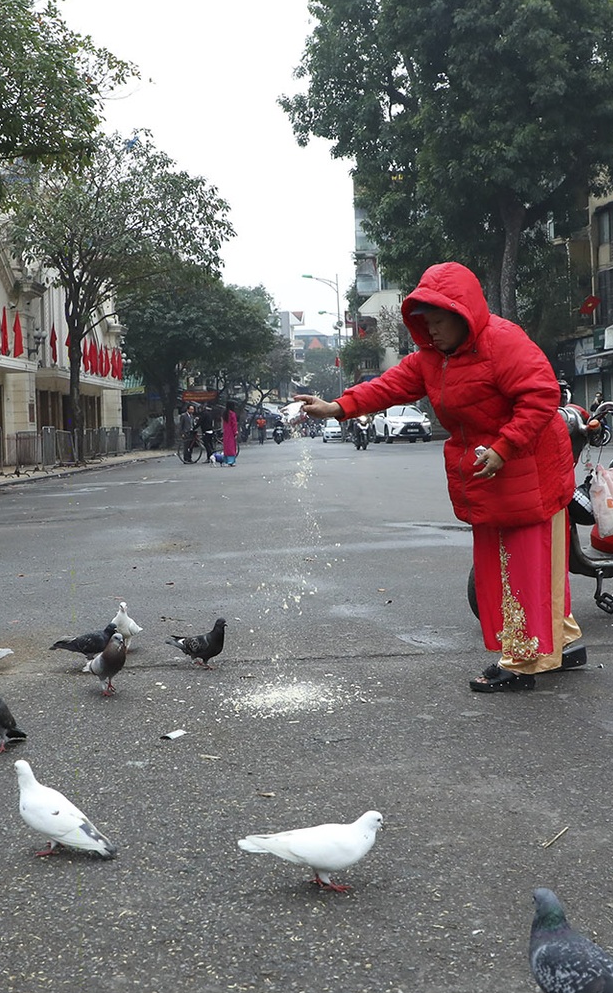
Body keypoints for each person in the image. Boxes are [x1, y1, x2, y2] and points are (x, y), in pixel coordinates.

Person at [294, 262, 582, 692]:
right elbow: (387, 387)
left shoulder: (502, 342)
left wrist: (504, 448)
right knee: (515, 564)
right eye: (425, 324)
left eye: (439, 322)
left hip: (528, 465)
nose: (432, 332)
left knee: (523, 565)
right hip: (492, 470)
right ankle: (563, 644)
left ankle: (523, 663)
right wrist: (336, 407)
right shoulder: (432, 359)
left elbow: (541, 396)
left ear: (462, 314)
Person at [220, 402, 240, 466]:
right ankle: (231, 461)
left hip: (226, 432)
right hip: (231, 432)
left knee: (226, 447)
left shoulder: (224, 414)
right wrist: (236, 432)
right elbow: (234, 424)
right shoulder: (232, 414)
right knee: (231, 446)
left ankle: (226, 461)